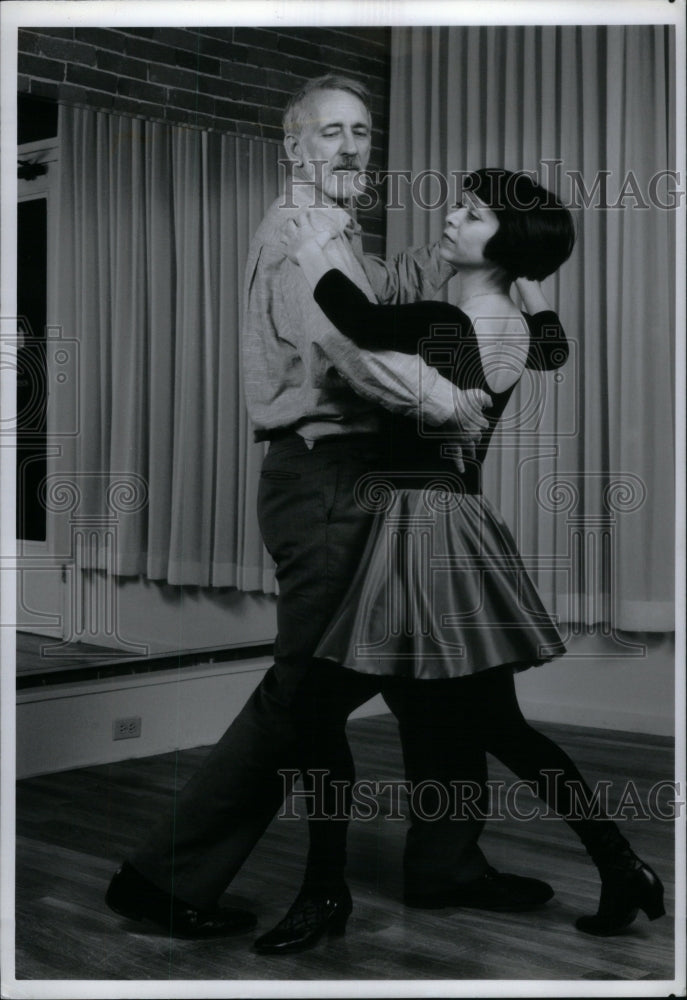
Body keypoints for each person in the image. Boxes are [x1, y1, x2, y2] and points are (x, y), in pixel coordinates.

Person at [105, 78, 553, 944]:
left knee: (445, 683)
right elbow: (352, 347)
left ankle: (446, 861)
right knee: (305, 690)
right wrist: (451, 404)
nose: (351, 147)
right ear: (294, 149)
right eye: (331, 133)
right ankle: (162, 878)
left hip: (376, 478)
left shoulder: (344, 239)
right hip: (329, 478)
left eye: (361, 132)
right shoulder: (301, 234)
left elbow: (397, 296)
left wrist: (501, 260)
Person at [264, 167, 665, 945]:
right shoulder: (506, 317)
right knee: (498, 727)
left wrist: (306, 238)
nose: (449, 218)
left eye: (471, 214)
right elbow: (552, 349)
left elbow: (349, 315)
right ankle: (621, 867)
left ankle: (324, 895)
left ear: (503, 242)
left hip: (426, 532)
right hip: (454, 523)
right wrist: (534, 285)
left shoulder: (447, 323)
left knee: (316, 711)